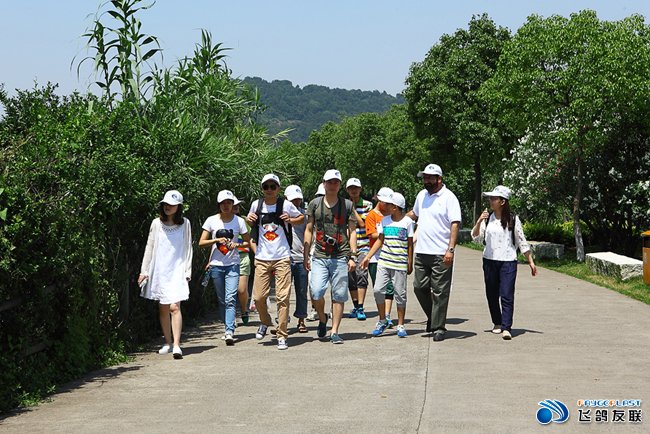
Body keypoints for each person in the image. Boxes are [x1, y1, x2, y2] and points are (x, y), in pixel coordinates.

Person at [471, 185, 537, 340]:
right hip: (489, 261)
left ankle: (507, 327)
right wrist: (480, 220)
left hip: (508, 261)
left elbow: (522, 241)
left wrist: (531, 262)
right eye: (490, 198)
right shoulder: (488, 219)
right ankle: (497, 323)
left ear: (502, 201)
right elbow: (475, 237)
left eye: (494, 198)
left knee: (506, 295)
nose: (490, 201)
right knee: (491, 294)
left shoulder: (513, 219)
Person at [247, 174, 304, 350]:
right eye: (266, 187)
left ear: (278, 189)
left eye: (273, 186)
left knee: (282, 297)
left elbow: (302, 218)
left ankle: (282, 334)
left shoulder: (285, 204)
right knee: (258, 297)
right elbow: (252, 225)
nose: (270, 190)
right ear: (262, 188)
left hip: (282, 256)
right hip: (262, 257)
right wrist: (249, 220)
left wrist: (291, 220)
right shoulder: (256, 205)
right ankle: (265, 321)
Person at [406, 164, 461, 342]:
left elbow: (455, 224)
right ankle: (434, 315)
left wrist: (450, 249)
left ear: (439, 179)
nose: (426, 180)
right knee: (419, 287)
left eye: (430, 177)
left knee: (440, 291)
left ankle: (438, 327)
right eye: (425, 177)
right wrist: (395, 221)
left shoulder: (449, 197)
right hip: (422, 251)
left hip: (441, 252)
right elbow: (414, 215)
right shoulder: (421, 196)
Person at [304, 169, 357, 344]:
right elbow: (309, 229)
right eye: (330, 182)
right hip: (319, 254)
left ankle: (334, 331)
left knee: (339, 294)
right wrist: (306, 255)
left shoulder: (347, 205)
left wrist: (353, 256)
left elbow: (352, 231)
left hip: (340, 255)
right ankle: (322, 318)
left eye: (336, 182)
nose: (333, 185)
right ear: (324, 183)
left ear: (340, 184)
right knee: (316, 292)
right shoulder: (314, 204)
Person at [138, 190, 193, 359]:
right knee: (162, 307)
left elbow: (188, 247)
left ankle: (177, 345)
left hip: (177, 269)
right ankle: (167, 342)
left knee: (174, 306)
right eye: (166, 204)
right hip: (160, 269)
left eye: (172, 204)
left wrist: (187, 271)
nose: (168, 207)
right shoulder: (156, 223)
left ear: (179, 206)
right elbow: (150, 246)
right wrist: (144, 271)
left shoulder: (185, 224)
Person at [199, 190, 250, 345]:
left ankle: (229, 331)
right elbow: (201, 242)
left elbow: (249, 241)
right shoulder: (211, 220)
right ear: (219, 205)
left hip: (233, 264)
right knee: (222, 300)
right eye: (223, 203)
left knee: (230, 299)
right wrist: (216, 240)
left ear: (232, 204)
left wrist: (237, 244)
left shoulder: (239, 221)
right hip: (216, 265)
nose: (226, 206)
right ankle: (226, 326)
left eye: (229, 203)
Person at [361, 192, 414, 337]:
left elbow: (410, 244)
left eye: (388, 204)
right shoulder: (384, 221)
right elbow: (380, 240)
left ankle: (401, 325)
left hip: (399, 263)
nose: (385, 205)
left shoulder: (408, 222)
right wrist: (368, 256)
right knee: (378, 290)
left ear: (395, 207)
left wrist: (410, 262)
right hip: (384, 261)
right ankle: (382, 319)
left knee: (400, 294)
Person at [366, 187, 395, 326]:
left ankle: (387, 315)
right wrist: (389, 233)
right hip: (375, 257)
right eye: (386, 203)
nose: (388, 206)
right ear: (379, 200)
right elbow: (372, 234)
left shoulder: (391, 215)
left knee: (390, 287)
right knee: (379, 288)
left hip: (391, 254)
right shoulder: (372, 215)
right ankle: (382, 315)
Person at [345, 178, 373, 321]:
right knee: (351, 278)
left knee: (361, 275)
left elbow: (363, 224)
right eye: (351, 188)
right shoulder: (343, 204)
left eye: (356, 188)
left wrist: (353, 209)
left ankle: (361, 307)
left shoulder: (367, 205)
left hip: (364, 246)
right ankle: (355, 306)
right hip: (348, 247)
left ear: (360, 189)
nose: (353, 191)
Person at [285, 184, 309, 333]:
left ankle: (301, 320)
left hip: (300, 258)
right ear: (286, 199)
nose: (296, 203)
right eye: (293, 200)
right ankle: (283, 320)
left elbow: (309, 236)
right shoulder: (279, 214)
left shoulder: (304, 216)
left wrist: (308, 256)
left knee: (301, 291)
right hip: (284, 258)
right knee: (283, 292)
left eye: (298, 200)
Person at [233, 198, 253, 324]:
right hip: (226, 258)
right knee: (229, 291)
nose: (235, 207)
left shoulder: (244, 221)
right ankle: (231, 317)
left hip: (243, 257)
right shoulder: (220, 221)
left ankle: (244, 309)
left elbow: (250, 240)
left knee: (241, 290)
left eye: (237, 205)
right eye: (233, 205)